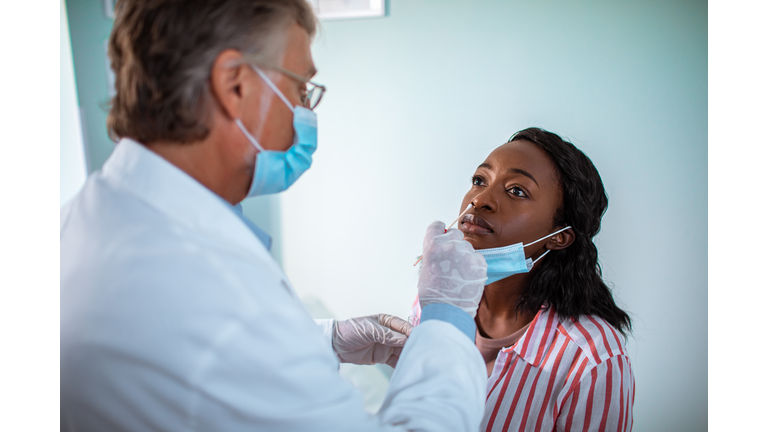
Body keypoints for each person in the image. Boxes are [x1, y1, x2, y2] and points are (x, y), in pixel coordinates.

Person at [60, 1, 489, 431]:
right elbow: (222, 338)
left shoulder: (87, 219)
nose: (307, 111)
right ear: (235, 86)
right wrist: (447, 320)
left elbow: (195, 360)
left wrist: (327, 340)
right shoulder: (216, 292)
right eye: (301, 88)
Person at [410, 128, 635, 431]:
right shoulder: (435, 298)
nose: (480, 200)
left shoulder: (593, 358)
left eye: (517, 191)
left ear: (560, 237)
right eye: (479, 180)